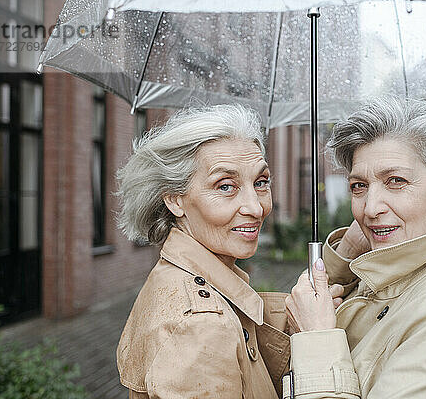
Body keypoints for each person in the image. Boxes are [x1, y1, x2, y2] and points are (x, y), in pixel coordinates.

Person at [284, 96, 426, 398]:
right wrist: (347, 255)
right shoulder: (394, 264)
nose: (370, 208)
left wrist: (316, 338)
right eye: (359, 186)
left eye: (395, 181)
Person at [115, 105, 296, 399]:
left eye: (260, 182)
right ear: (175, 200)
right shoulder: (200, 325)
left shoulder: (181, 275)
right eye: (226, 187)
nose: (255, 207)